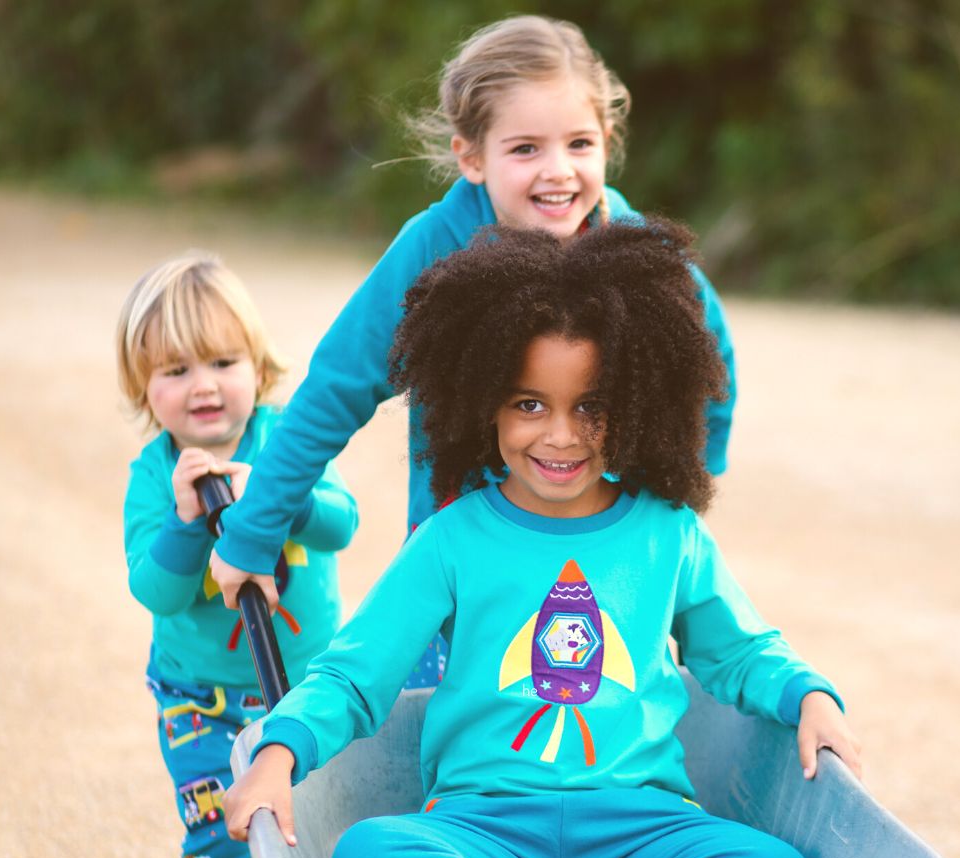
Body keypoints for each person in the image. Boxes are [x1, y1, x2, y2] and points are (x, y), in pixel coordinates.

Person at [223, 220, 862, 858]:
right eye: (529, 405)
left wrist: (810, 696)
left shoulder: (668, 533)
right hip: (484, 827)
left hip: (642, 825)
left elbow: (742, 653)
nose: (560, 437)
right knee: (368, 856)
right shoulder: (451, 540)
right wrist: (278, 753)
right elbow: (352, 677)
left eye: (590, 406)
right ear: (480, 402)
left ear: (637, 403)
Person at [208, 15, 738, 693]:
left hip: (607, 562)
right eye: (525, 149)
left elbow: (711, 359)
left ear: (607, 141)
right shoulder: (435, 248)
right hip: (461, 579)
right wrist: (254, 530)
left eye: (579, 143)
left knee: (603, 733)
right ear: (471, 156)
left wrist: (682, 490)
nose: (558, 171)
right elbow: (335, 387)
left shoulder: (637, 252)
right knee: (449, 744)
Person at [117, 252, 357, 858]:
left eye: (224, 362)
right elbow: (156, 590)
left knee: (297, 820)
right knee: (221, 821)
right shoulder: (154, 476)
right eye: (176, 370)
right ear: (144, 389)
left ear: (257, 367)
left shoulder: (285, 440)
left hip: (300, 685)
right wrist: (191, 520)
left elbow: (342, 522)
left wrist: (277, 495)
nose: (205, 385)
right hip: (202, 695)